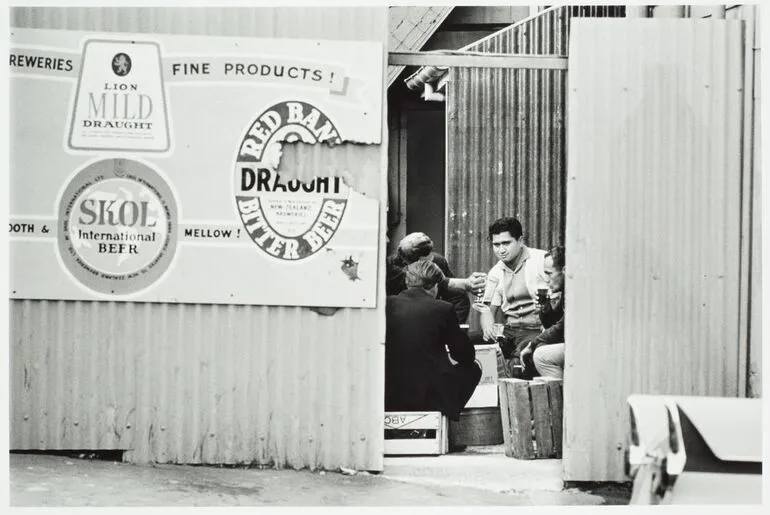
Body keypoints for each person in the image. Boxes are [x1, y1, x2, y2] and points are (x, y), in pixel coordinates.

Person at [385, 260, 482, 422]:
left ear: (408, 282)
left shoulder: (387, 304)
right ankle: (447, 416)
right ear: (435, 286)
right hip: (429, 398)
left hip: (390, 393)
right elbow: (464, 356)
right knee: (472, 369)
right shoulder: (443, 308)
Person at [477, 217, 549, 379]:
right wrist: (488, 327)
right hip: (511, 331)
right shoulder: (495, 272)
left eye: (506, 243)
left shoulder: (541, 260)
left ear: (520, 240)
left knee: (519, 359)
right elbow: (487, 309)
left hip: (537, 329)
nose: (501, 250)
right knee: (470, 343)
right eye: (496, 245)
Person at [386, 232, 485, 324]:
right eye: (424, 263)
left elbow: (453, 292)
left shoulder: (438, 261)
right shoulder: (390, 269)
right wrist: (465, 283)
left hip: (431, 312)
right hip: (400, 314)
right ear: (408, 261)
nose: (429, 265)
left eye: (430, 260)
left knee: (459, 294)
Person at [524, 246, 566, 379]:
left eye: (549, 273)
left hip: (587, 347)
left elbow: (561, 328)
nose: (546, 279)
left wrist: (533, 344)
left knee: (541, 355)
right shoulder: (566, 292)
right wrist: (545, 308)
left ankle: (562, 397)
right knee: (538, 347)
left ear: (564, 270)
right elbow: (553, 323)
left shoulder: (576, 291)